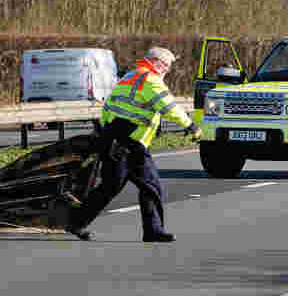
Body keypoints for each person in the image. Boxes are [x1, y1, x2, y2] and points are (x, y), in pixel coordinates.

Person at [68, 47, 202, 242]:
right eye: (167, 66)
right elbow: (169, 107)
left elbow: (109, 106)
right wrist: (191, 126)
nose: (168, 70)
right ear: (157, 63)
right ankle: (152, 230)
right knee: (145, 186)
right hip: (130, 142)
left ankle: (78, 222)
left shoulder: (131, 76)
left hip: (116, 138)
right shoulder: (151, 81)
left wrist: (105, 133)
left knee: (118, 187)